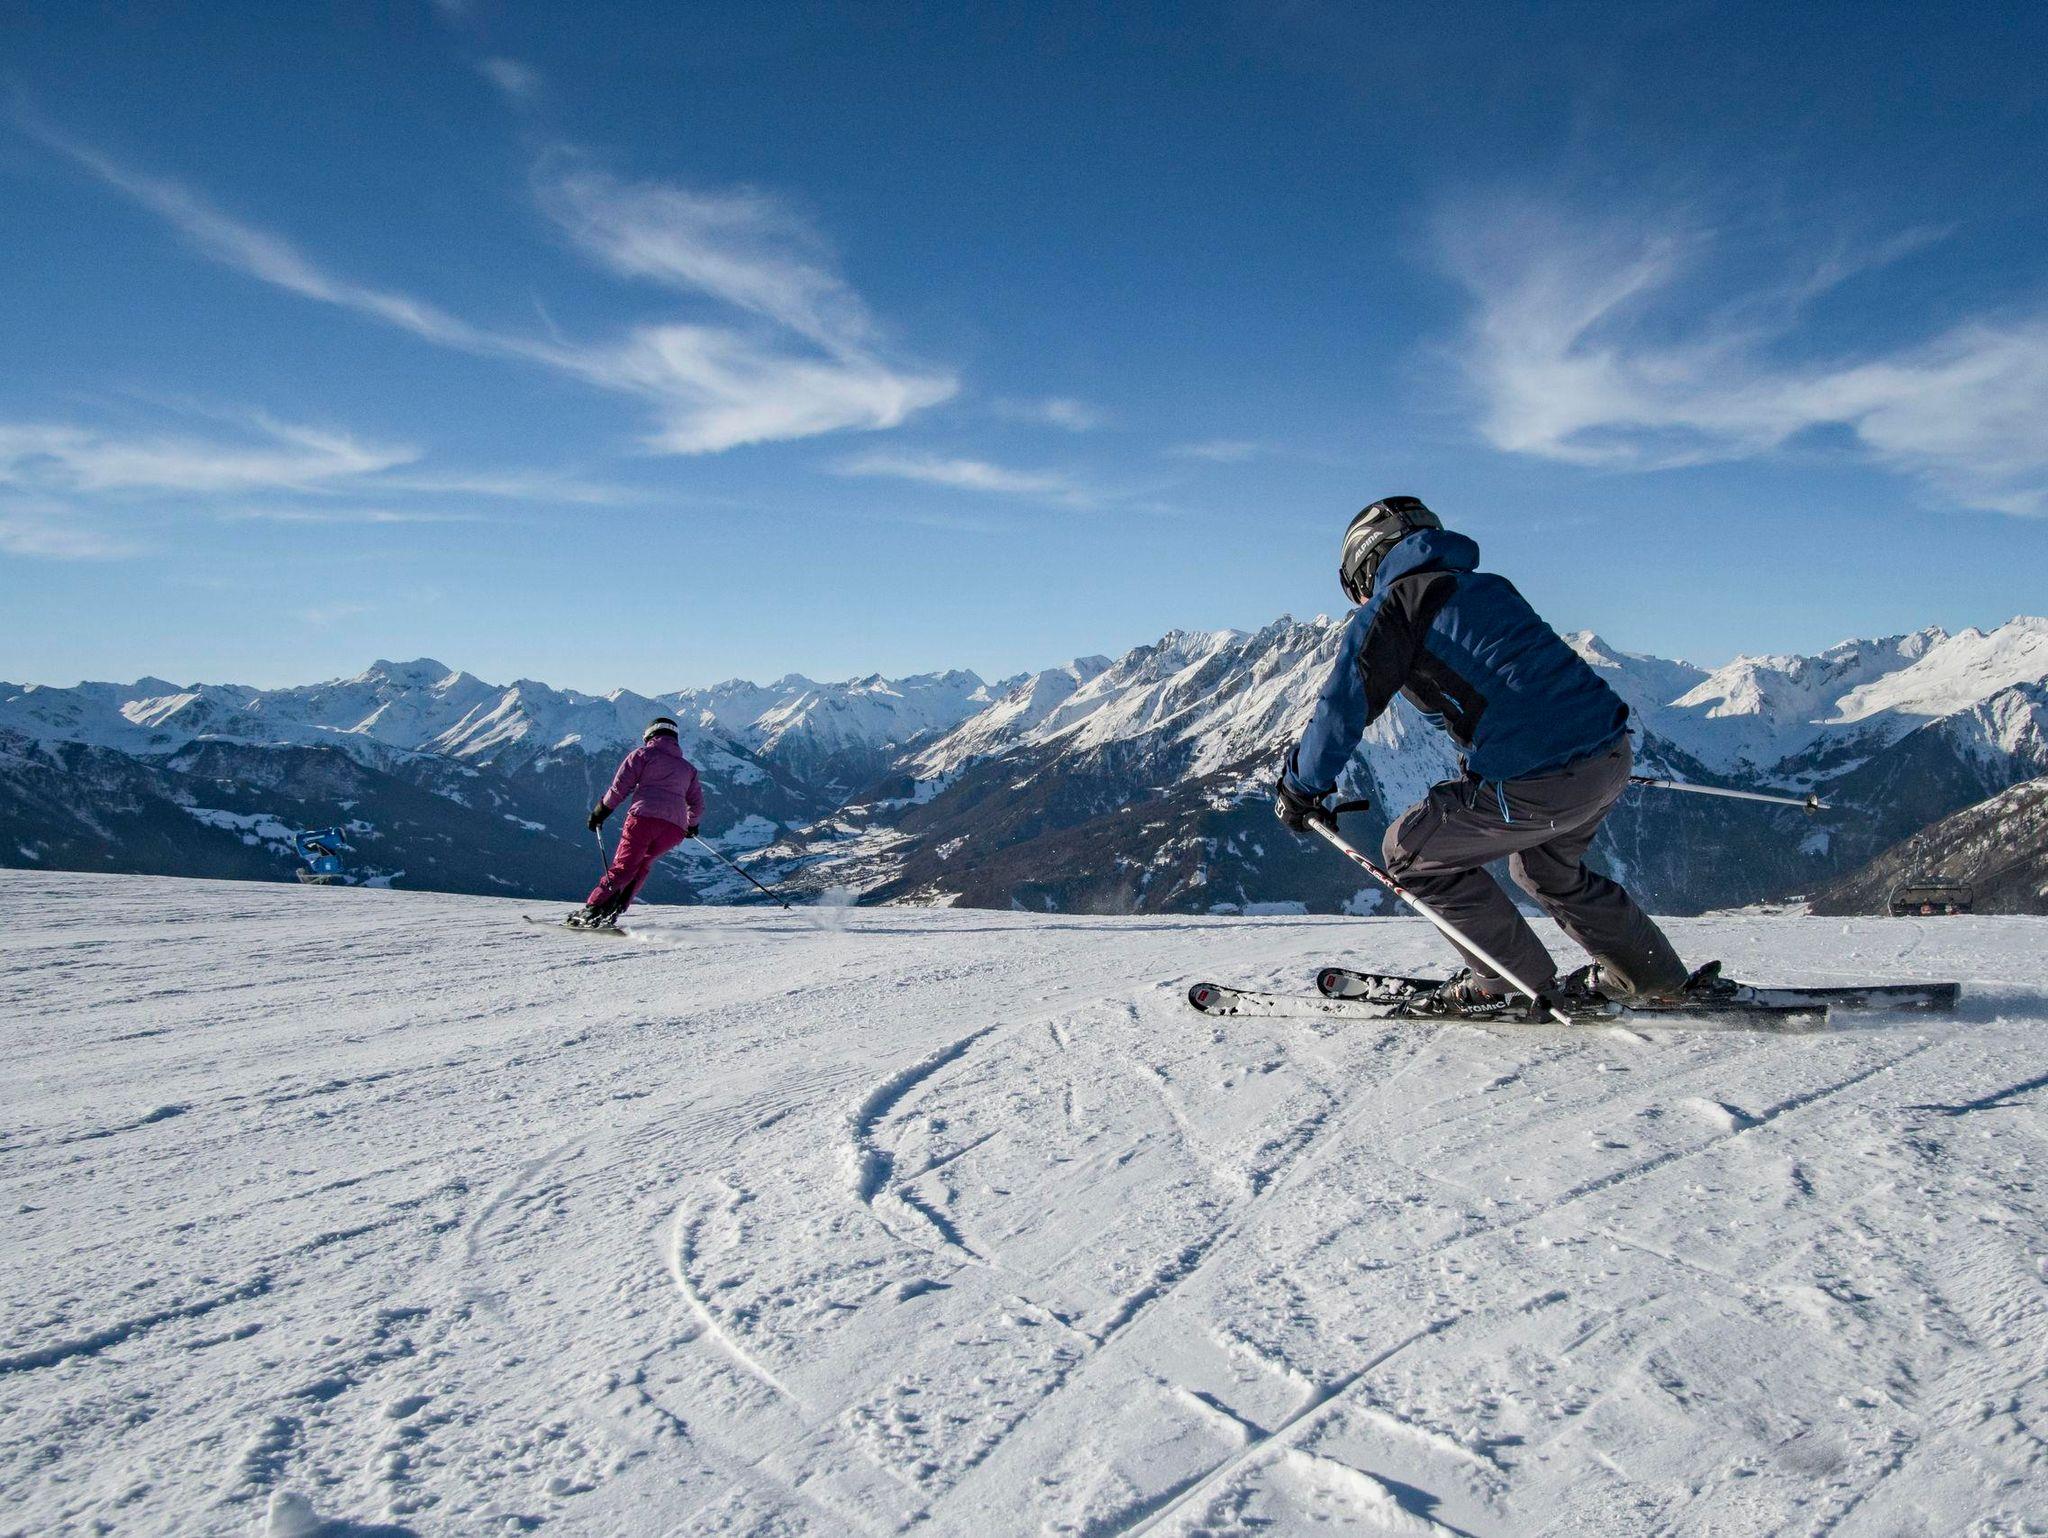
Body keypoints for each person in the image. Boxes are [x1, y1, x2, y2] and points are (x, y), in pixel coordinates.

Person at [1273, 496, 1690, 1015]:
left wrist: (1301, 787)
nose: (1360, 597)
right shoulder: (1489, 588)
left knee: (1408, 852)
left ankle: (1505, 982)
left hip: (1539, 776)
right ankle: (1653, 975)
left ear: (1367, 564)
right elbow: (1519, 690)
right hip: (1609, 755)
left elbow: (1342, 708)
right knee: (1547, 871)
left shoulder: (1395, 608)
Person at [569, 716, 704, 929]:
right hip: (674, 829)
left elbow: (619, 788)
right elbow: (697, 804)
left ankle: (593, 909)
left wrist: (600, 812)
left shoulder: (642, 755)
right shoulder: (688, 769)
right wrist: (691, 825)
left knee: (624, 866)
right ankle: (615, 909)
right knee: (642, 865)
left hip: (644, 820)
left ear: (649, 735)